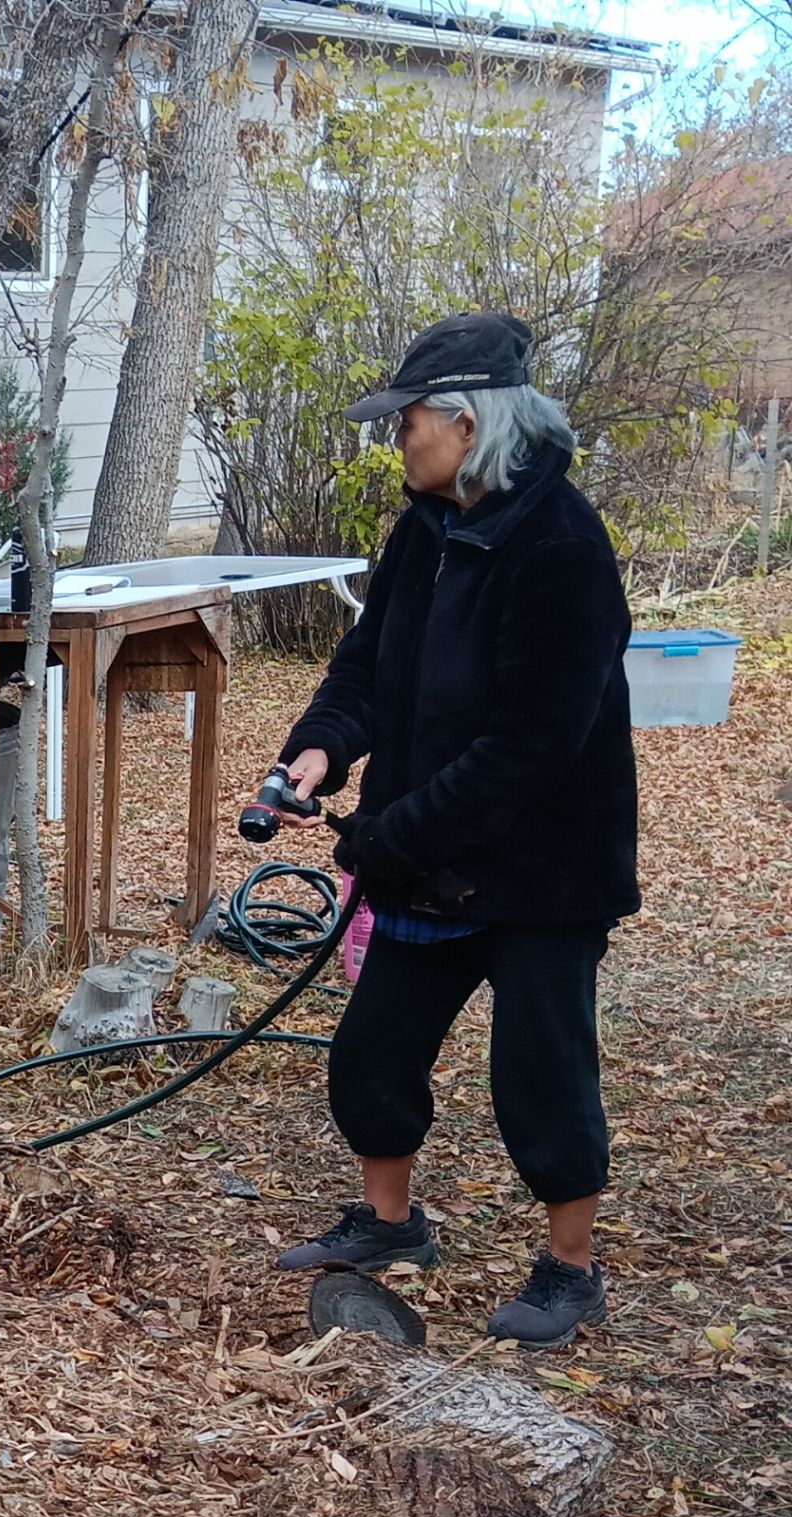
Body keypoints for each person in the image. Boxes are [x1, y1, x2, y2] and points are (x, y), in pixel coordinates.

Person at [262, 311, 637, 1346]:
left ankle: (569, 1268)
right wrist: (318, 751)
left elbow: (530, 747)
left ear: (466, 425)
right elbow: (364, 666)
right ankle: (391, 1227)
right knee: (371, 1057)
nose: (396, 439)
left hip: (540, 871)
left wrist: (392, 834)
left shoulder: (558, 544)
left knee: (540, 1071)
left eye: (406, 421)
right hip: (427, 857)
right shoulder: (423, 530)